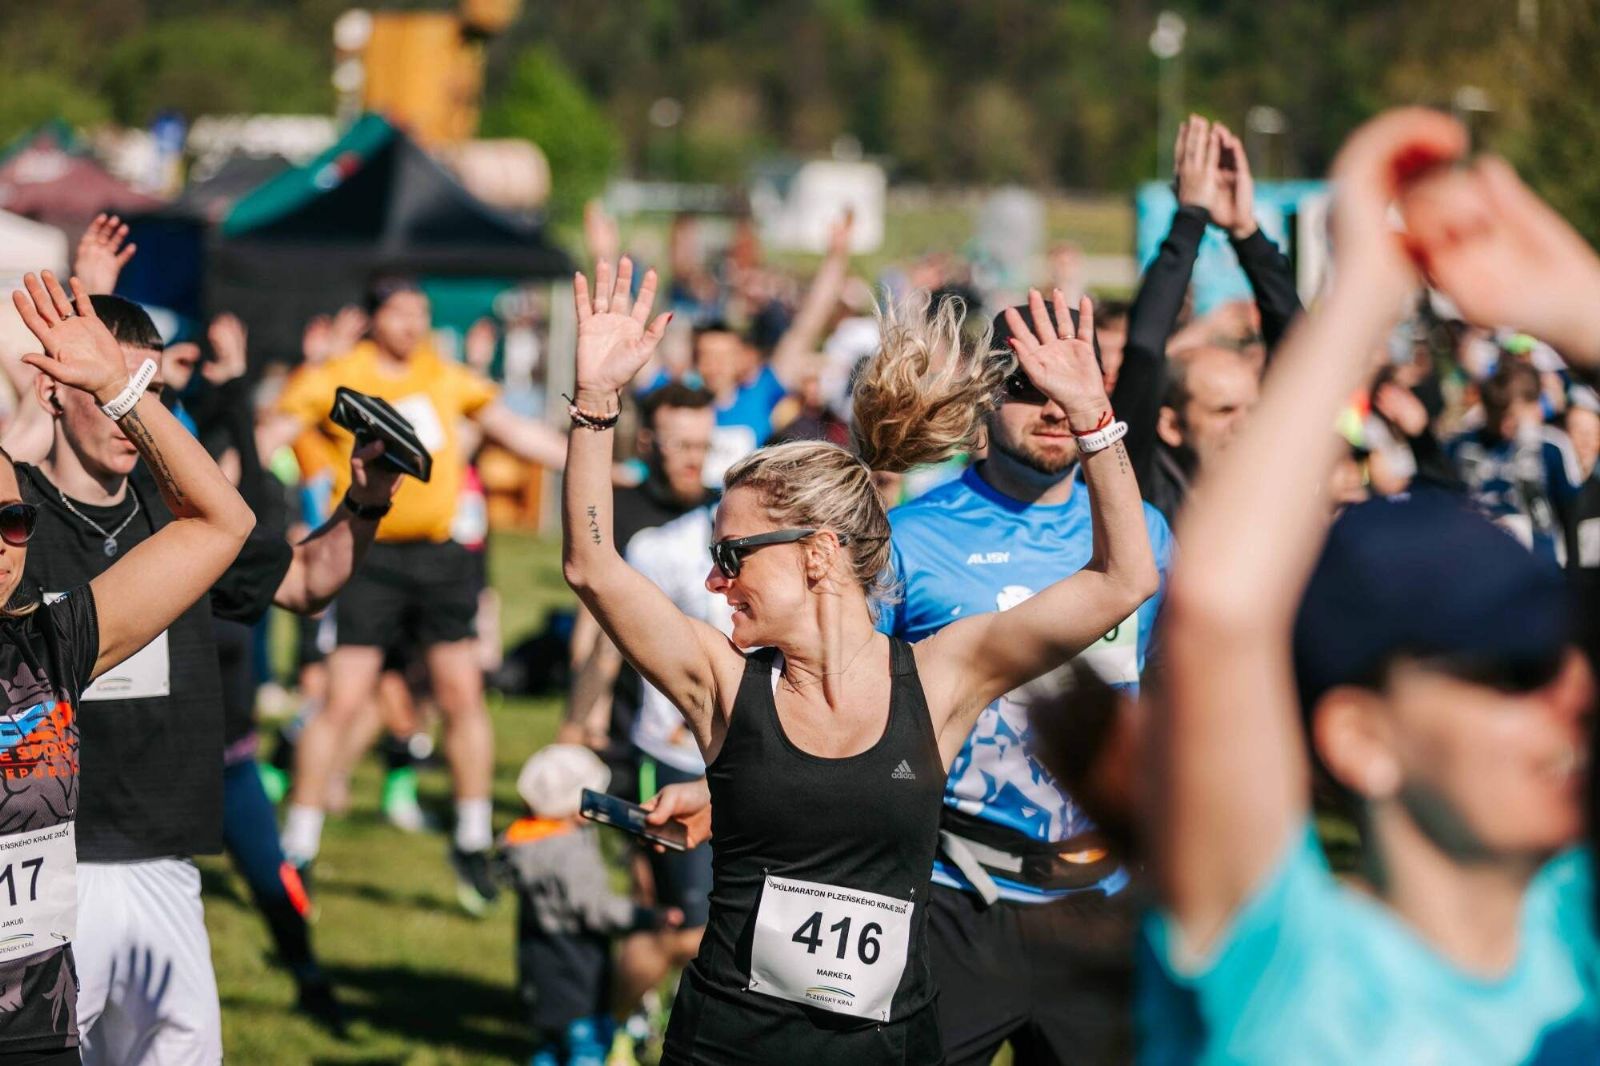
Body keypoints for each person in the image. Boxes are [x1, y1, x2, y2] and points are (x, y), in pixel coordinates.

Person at [563, 257, 1157, 1063]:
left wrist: (1094, 417)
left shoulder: (943, 679)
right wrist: (597, 404)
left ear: (816, 554)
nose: (714, 579)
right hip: (730, 1048)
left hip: (889, 1049)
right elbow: (593, 568)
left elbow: (1124, 575)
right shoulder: (721, 683)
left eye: (733, 553)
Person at [1143, 108, 1600, 1063]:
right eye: (1512, 670)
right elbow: (1220, 618)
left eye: (1562, 658)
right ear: (1360, 736)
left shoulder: (1579, 937)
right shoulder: (1284, 968)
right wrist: (1365, 287)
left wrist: (1572, 303)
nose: (1572, 695)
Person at [19, 289, 403, 1058]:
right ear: (56, 391)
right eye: (114, 390)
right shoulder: (12, 523)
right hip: (48, 868)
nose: (134, 413)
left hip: (168, 861)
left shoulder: (188, 521)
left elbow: (303, 581)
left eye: (153, 394)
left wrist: (365, 500)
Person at [878, 299, 1173, 1064]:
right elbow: (870, 719)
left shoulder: (1142, 532)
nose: (1052, 408)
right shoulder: (909, 537)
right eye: (1028, 386)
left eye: (1071, 383)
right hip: (955, 896)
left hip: (1100, 901)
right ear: (985, 398)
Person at [0, 271, 254, 1061]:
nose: (4, 543)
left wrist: (121, 384)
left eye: (12, 521)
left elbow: (221, 522)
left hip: (33, 1015)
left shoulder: (47, 645)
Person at [265, 277, 570, 911]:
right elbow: (273, 432)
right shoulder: (339, 374)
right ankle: (299, 847)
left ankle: (469, 836)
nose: (413, 324)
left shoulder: (446, 374)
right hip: (364, 554)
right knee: (342, 700)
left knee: (461, 695)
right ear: (374, 318)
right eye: (401, 313)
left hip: (441, 557)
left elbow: (518, 433)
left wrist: (597, 465)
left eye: (422, 313)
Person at [502, 744, 681, 1066]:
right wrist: (647, 916)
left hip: (538, 966)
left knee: (548, 1049)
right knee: (587, 1047)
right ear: (577, 806)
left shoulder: (520, 843)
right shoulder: (570, 853)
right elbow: (598, 910)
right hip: (578, 971)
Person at [1447, 359, 1583, 564]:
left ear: (1534, 406)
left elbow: (1572, 513)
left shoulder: (1551, 447)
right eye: (1496, 416)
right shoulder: (1461, 446)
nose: (1504, 426)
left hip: (1539, 566)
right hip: (1479, 563)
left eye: (1512, 418)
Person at [1148, 345, 1260, 523]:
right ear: (1172, 426)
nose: (1245, 425)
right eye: (1225, 411)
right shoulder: (1145, 500)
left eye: (1254, 411)